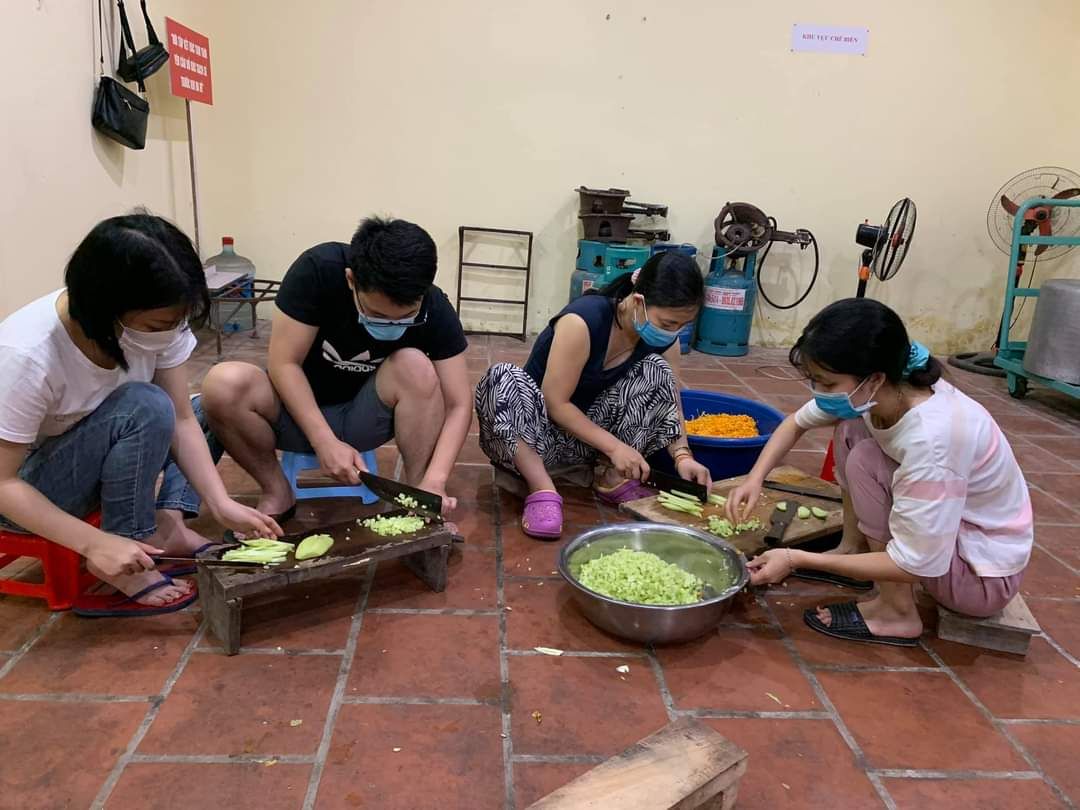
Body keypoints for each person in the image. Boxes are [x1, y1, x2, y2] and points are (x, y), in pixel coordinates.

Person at [0, 214, 281, 617]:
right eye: (158, 324)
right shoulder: (26, 355)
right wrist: (94, 543)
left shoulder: (153, 323)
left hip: (96, 448)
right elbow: (3, 482)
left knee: (202, 405)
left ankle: (168, 525)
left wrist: (220, 502)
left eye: (178, 321)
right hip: (30, 490)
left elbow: (182, 419)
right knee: (145, 405)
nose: (172, 332)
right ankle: (124, 545)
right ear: (107, 310)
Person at [730, 298, 1032, 647]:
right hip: (950, 546)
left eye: (827, 384)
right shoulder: (885, 389)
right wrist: (754, 479)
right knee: (852, 428)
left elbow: (913, 564)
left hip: (980, 578)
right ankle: (851, 549)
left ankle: (897, 612)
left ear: (874, 378)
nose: (818, 393)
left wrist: (794, 558)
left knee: (866, 459)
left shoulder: (934, 439)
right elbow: (795, 423)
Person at [191, 217, 472, 519]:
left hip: (364, 417)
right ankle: (276, 490)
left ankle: (417, 495)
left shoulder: (433, 306)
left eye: (405, 316)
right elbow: (284, 364)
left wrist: (436, 479)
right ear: (351, 279)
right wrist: (323, 439)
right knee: (223, 384)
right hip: (293, 413)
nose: (390, 324)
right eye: (376, 314)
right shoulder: (318, 271)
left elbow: (459, 403)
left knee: (415, 366)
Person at [476, 252, 712, 539]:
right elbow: (555, 403)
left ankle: (610, 477)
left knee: (657, 370)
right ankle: (542, 489)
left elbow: (670, 402)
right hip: (536, 438)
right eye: (667, 323)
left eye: (682, 325)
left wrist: (683, 456)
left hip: (588, 445)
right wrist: (615, 448)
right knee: (501, 377)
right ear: (638, 301)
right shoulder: (583, 321)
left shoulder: (665, 343)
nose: (673, 332)